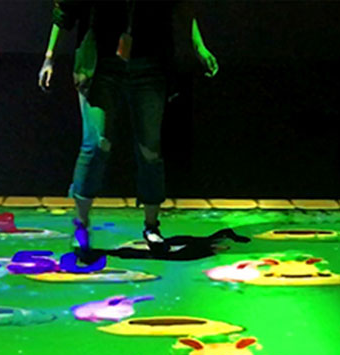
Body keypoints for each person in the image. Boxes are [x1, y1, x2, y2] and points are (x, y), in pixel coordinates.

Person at [38, 1, 218, 259]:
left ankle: (152, 226)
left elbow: (181, 6)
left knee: (149, 149)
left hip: (149, 64)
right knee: (96, 143)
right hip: (102, 65)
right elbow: (65, 9)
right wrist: (49, 57)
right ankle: (81, 222)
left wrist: (199, 47)